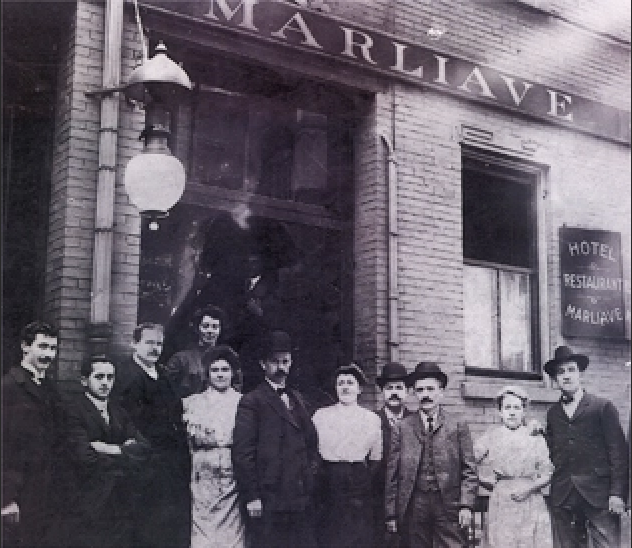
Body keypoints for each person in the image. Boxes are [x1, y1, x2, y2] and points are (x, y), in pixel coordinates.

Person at [232, 329, 319, 548]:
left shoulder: (297, 398)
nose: (281, 368)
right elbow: (243, 453)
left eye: (285, 361)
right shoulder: (252, 401)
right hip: (269, 498)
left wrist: (309, 472)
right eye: (275, 362)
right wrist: (252, 496)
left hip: (299, 497)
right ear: (263, 364)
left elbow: (311, 440)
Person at [112, 323, 192, 548]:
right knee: (141, 523)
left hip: (168, 460)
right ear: (134, 344)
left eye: (159, 343)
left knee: (165, 522)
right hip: (143, 459)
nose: (155, 348)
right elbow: (125, 418)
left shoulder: (164, 375)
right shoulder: (126, 376)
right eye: (149, 343)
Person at [61, 356, 152, 548]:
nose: (105, 382)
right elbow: (84, 457)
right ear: (85, 380)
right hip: (89, 500)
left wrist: (111, 449)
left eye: (110, 377)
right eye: (99, 376)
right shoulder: (72, 411)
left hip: (122, 500)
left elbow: (144, 448)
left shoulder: (119, 411)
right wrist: (126, 453)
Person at [385, 361, 478, 548]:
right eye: (420, 390)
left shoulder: (457, 425)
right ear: (414, 393)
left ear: (441, 392)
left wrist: (466, 505)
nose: (425, 395)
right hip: (414, 505)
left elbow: (469, 470)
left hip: (448, 504)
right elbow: (392, 474)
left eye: (430, 389)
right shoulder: (402, 428)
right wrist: (391, 513)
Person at [543, 345, 629, 548]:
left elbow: (618, 453)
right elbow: (551, 452)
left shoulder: (602, 407)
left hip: (599, 495)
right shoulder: (553, 413)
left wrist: (617, 493)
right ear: (555, 379)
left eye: (571, 370)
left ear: (580, 373)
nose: (566, 376)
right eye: (560, 372)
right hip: (564, 495)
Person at [1, 321, 64, 548]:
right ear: (25, 347)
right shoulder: (8, 387)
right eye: (43, 347)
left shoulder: (51, 388)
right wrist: (6, 498)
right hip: (19, 493)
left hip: (48, 490)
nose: (48, 354)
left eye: (53, 348)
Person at [312, 363, 383, 548]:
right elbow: (312, 450)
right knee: (330, 531)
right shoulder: (321, 416)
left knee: (358, 533)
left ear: (359, 388)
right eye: (340, 383)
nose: (345, 387)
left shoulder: (371, 419)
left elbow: (376, 457)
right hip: (329, 479)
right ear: (335, 388)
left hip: (359, 479)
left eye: (350, 383)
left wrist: (363, 479)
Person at [474, 385, 554, 548]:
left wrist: (530, 488)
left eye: (517, 407)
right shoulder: (491, 436)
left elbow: (547, 472)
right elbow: (468, 462)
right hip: (502, 501)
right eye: (507, 407)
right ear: (500, 412)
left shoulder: (534, 437)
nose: (512, 412)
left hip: (530, 500)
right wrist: (485, 481)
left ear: (524, 412)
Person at [182, 345, 245, 548]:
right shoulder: (192, 403)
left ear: (233, 372)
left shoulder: (243, 403)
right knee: (203, 528)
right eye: (215, 370)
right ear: (207, 373)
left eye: (225, 370)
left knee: (232, 530)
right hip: (202, 474)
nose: (220, 374)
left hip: (232, 471)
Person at [374, 362, 412, 548]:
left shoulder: (416, 421)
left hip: (410, 499)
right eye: (389, 388)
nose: (394, 392)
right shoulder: (372, 421)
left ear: (407, 391)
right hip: (378, 497)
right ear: (382, 391)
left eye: (399, 387)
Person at [165, 304, 228, 398]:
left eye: (215, 327)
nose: (210, 331)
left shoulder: (228, 359)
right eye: (206, 326)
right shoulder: (181, 359)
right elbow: (167, 391)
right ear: (197, 328)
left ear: (220, 330)